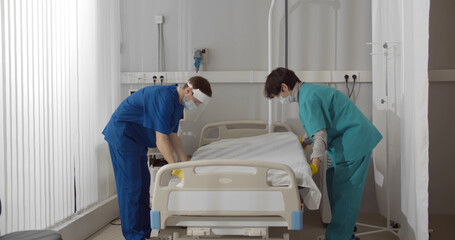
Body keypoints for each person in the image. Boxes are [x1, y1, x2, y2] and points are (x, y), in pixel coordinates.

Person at [264, 67, 382, 240]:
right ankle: (342, 234)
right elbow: (319, 124)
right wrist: (304, 142)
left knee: (345, 196)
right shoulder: (308, 92)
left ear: (284, 87)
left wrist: (315, 163)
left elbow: (320, 134)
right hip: (348, 142)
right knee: (334, 184)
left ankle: (339, 237)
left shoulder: (308, 98)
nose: (279, 99)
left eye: (277, 95)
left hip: (354, 143)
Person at [102, 76, 212, 240]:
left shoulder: (177, 104)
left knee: (143, 184)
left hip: (136, 141)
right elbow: (161, 140)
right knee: (131, 187)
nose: (195, 106)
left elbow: (173, 136)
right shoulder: (165, 98)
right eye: (196, 102)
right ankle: (133, 236)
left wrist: (186, 164)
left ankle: (145, 233)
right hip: (123, 136)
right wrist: (175, 168)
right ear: (188, 91)